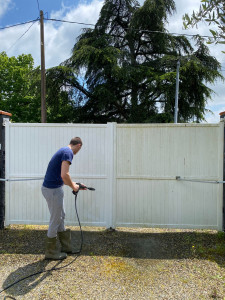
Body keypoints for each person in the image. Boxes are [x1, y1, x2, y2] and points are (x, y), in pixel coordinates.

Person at [41, 137, 85, 260]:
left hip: (53, 189)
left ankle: (66, 247)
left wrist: (76, 185)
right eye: (80, 149)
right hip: (53, 190)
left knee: (61, 216)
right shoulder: (68, 152)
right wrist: (73, 187)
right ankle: (50, 252)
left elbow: (62, 177)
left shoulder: (64, 150)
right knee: (55, 219)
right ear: (79, 145)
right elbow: (64, 175)